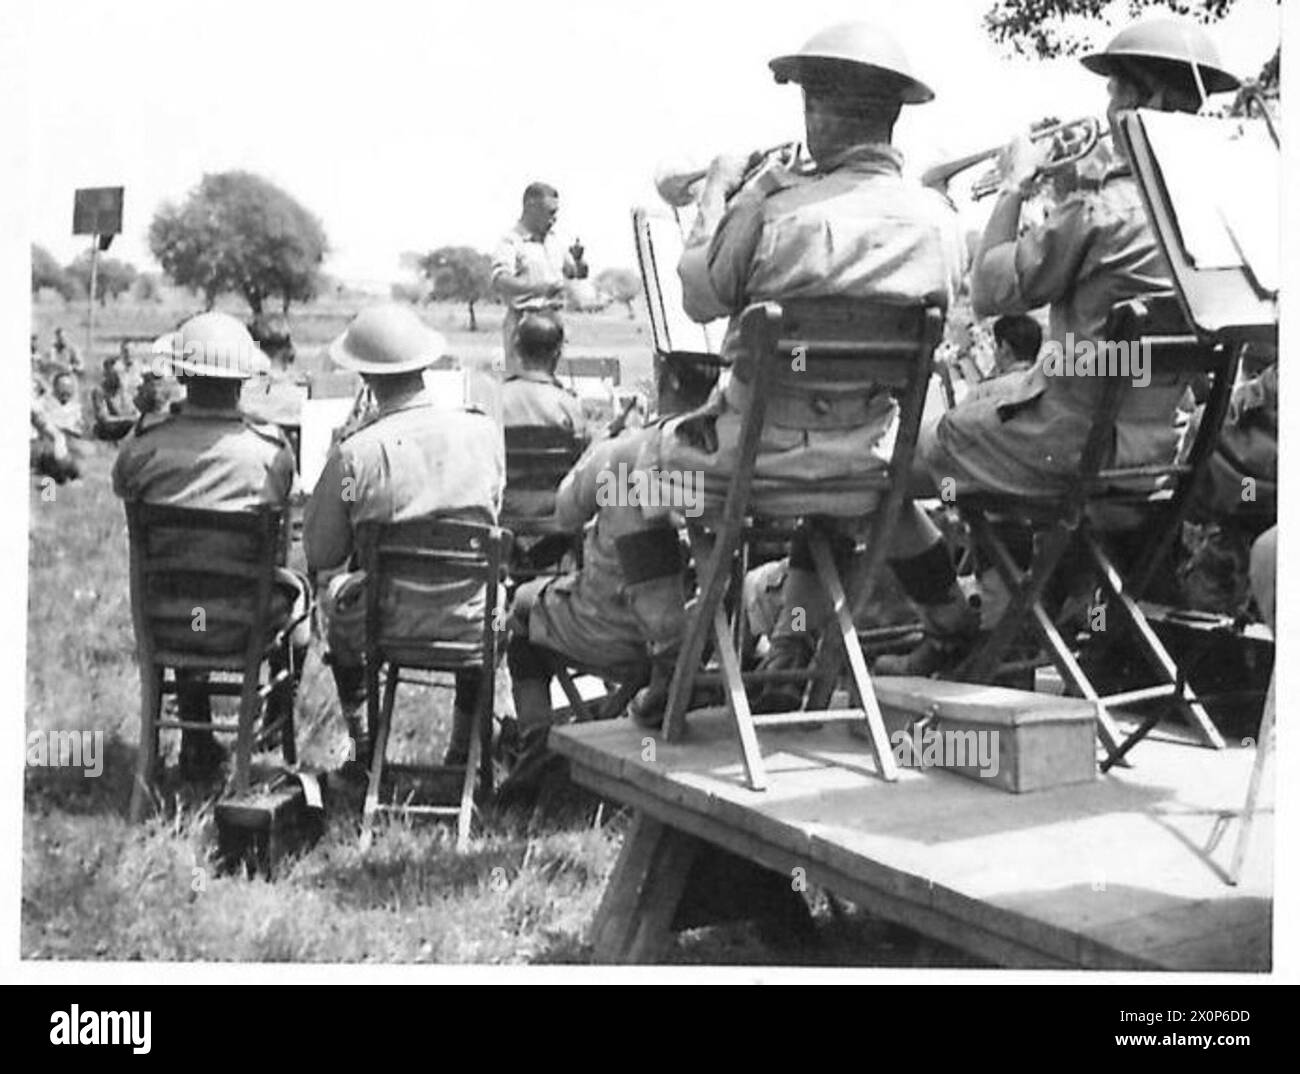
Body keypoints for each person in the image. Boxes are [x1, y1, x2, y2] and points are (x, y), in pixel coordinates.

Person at [879, 15, 1242, 675]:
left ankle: (962, 630)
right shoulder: (1219, 219)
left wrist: (1017, 185)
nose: (1106, 110)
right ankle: (1021, 625)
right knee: (992, 436)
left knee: (901, 466)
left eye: (1115, 92)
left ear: (1148, 100)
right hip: (1160, 460)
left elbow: (992, 292)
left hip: (1071, 455)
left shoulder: (1104, 209)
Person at [647, 20, 967, 707]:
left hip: (755, 464)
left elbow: (700, 299)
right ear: (894, 113)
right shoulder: (941, 223)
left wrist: (721, 195)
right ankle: (793, 647)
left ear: (816, 110)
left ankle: (685, 665)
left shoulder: (778, 213)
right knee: (829, 513)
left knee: (629, 477)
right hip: (866, 465)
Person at [302, 304, 504, 771]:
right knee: (487, 600)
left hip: (383, 624)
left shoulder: (356, 454)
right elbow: (493, 510)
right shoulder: (484, 434)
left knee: (337, 604)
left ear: (364, 376)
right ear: (424, 366)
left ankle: (367, 743)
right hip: (473, 622)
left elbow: (321, 551)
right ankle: (462, 751)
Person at [112, 312, 309, 779]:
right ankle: (268, 727)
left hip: (168, 618)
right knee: (299, 600)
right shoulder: (270, 450)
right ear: (244, 379)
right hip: (243, 620)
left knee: (192, 591)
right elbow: (286, 498)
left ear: (181, 374)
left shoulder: (144, 445)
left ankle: (197, 739)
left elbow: (122, 482)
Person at [506, 352, 719, 741]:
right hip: (695, 640)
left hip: (608, 629)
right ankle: (622, 708)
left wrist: (600, 445)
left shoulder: (622, 455)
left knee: (521, 609)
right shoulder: (721, 459)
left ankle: (535, 741)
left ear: (667, 380)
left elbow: (566, 514)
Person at [491, 182, 588, 373]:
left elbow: (575, 272)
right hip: (524, 324)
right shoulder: (511, 241)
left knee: (552, 386)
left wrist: (579, 259)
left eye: (556, 212)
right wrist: (537, 288)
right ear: (531, 207)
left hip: (553, 322)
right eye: (550, 212)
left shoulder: (554, 241)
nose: (554, 218)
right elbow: (500, 280)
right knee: (522, 385)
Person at [91, 355, 139, 441]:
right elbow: (104, 419)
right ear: (106, 374)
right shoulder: (99, 392)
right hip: (109, 434)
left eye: (122, 373)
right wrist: (129, 419)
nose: (120, 378)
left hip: (127, 431)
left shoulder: (126, 390)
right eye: (116, 374)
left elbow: (136, 412)